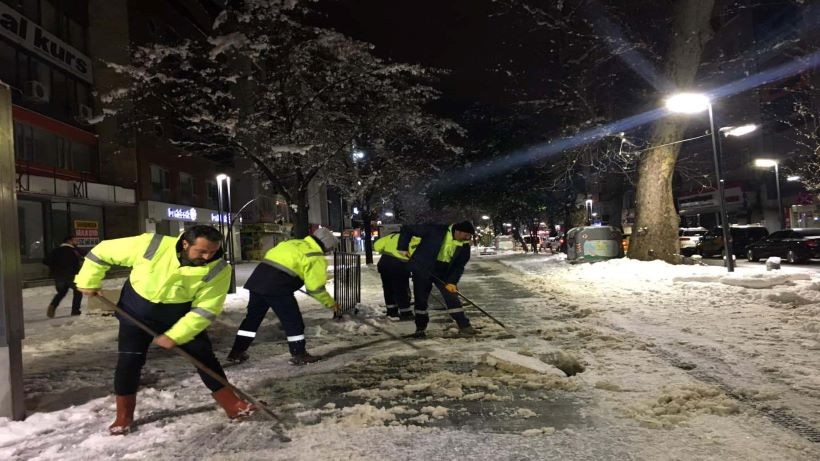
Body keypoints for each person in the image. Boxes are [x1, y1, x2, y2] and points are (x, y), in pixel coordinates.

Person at [74, 225, 254, 435]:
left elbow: (206, 310)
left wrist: (176, 335)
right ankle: (123, 416)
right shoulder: (152, 245)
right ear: (185, 243)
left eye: (213, 251)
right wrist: (88, 280)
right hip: (135, 313)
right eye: (202, 251)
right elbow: (102, 251)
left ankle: (233, 404)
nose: (207, 256)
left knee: (204, 358)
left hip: (179, 316)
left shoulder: (219, 269)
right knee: (129, 361)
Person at [226, 227, 340, 365]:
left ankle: (236, 352)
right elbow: (315, 288)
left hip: (257, 281)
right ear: (327, 244)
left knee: (252, 319)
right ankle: (299, 354)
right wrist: (331, 304)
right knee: (292, 321)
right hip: (278, 288)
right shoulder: (315, 256)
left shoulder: (291, 243)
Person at [397, 221, 477, 338]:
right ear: (457, 231)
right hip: (423, 268)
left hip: (444, 272)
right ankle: (420, 328)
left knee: (452, 297)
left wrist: (452, 282)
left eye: (469, 236)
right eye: (466, 235)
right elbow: (407, 228)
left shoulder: (464, 245)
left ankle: (465, 326)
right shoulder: (435, 230)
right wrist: (402, 247)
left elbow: (459, 266)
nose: (468, 238)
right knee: (421, 300)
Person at [373, 232, 420, 320]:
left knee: (388, 288)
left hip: (384, 263)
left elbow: (376, 246)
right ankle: (405, 312)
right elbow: (416, 253)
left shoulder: (391, 236)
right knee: (401, 288)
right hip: (399, 265)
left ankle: (391, 311)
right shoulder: (412, 238)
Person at [46, 235, 84, 318]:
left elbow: (46, 260)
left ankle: (53, 305)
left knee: (62, 292)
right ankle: (75, 310)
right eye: (75, 240)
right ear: (69, 241)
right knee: (78, 291)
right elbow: (83, 257)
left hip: (58, 276)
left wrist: (55, 267)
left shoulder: (55, 251)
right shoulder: (74, 250)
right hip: (71, 275)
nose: (76, 242)